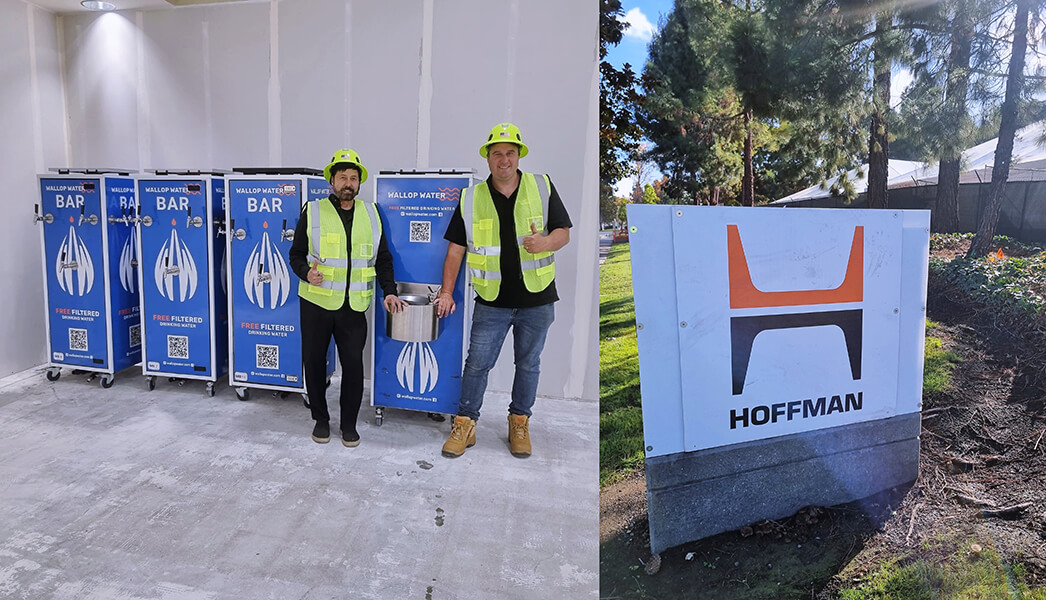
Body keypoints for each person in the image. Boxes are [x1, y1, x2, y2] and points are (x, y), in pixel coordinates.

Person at [433, 123, 572, 459]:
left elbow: (563, 233)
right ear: (488, 158)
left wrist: (544, 242)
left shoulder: (541, 186)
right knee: (477, 365)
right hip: (492, 301)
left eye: (510, 152)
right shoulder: (471, 197)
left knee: (528, 365)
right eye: (497, 153)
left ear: (519, 156)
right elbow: (456, 250)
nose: (504, 159)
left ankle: (519, 423)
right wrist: (447, 292)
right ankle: (465, 424)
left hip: (537, 299)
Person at [289, 148, 407, 447]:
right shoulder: (312, 210)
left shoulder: (372, 213)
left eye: (353, 178)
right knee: (314, 362)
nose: (348, 183)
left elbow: (383, 258)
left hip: (354, 306)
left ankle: (349, 424)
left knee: (353, 365)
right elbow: (296, 254)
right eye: (342, 177)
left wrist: (389, 291)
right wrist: (306, 273)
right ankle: (320, 419)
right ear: (332, 180)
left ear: (358, 183)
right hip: (316, 303)